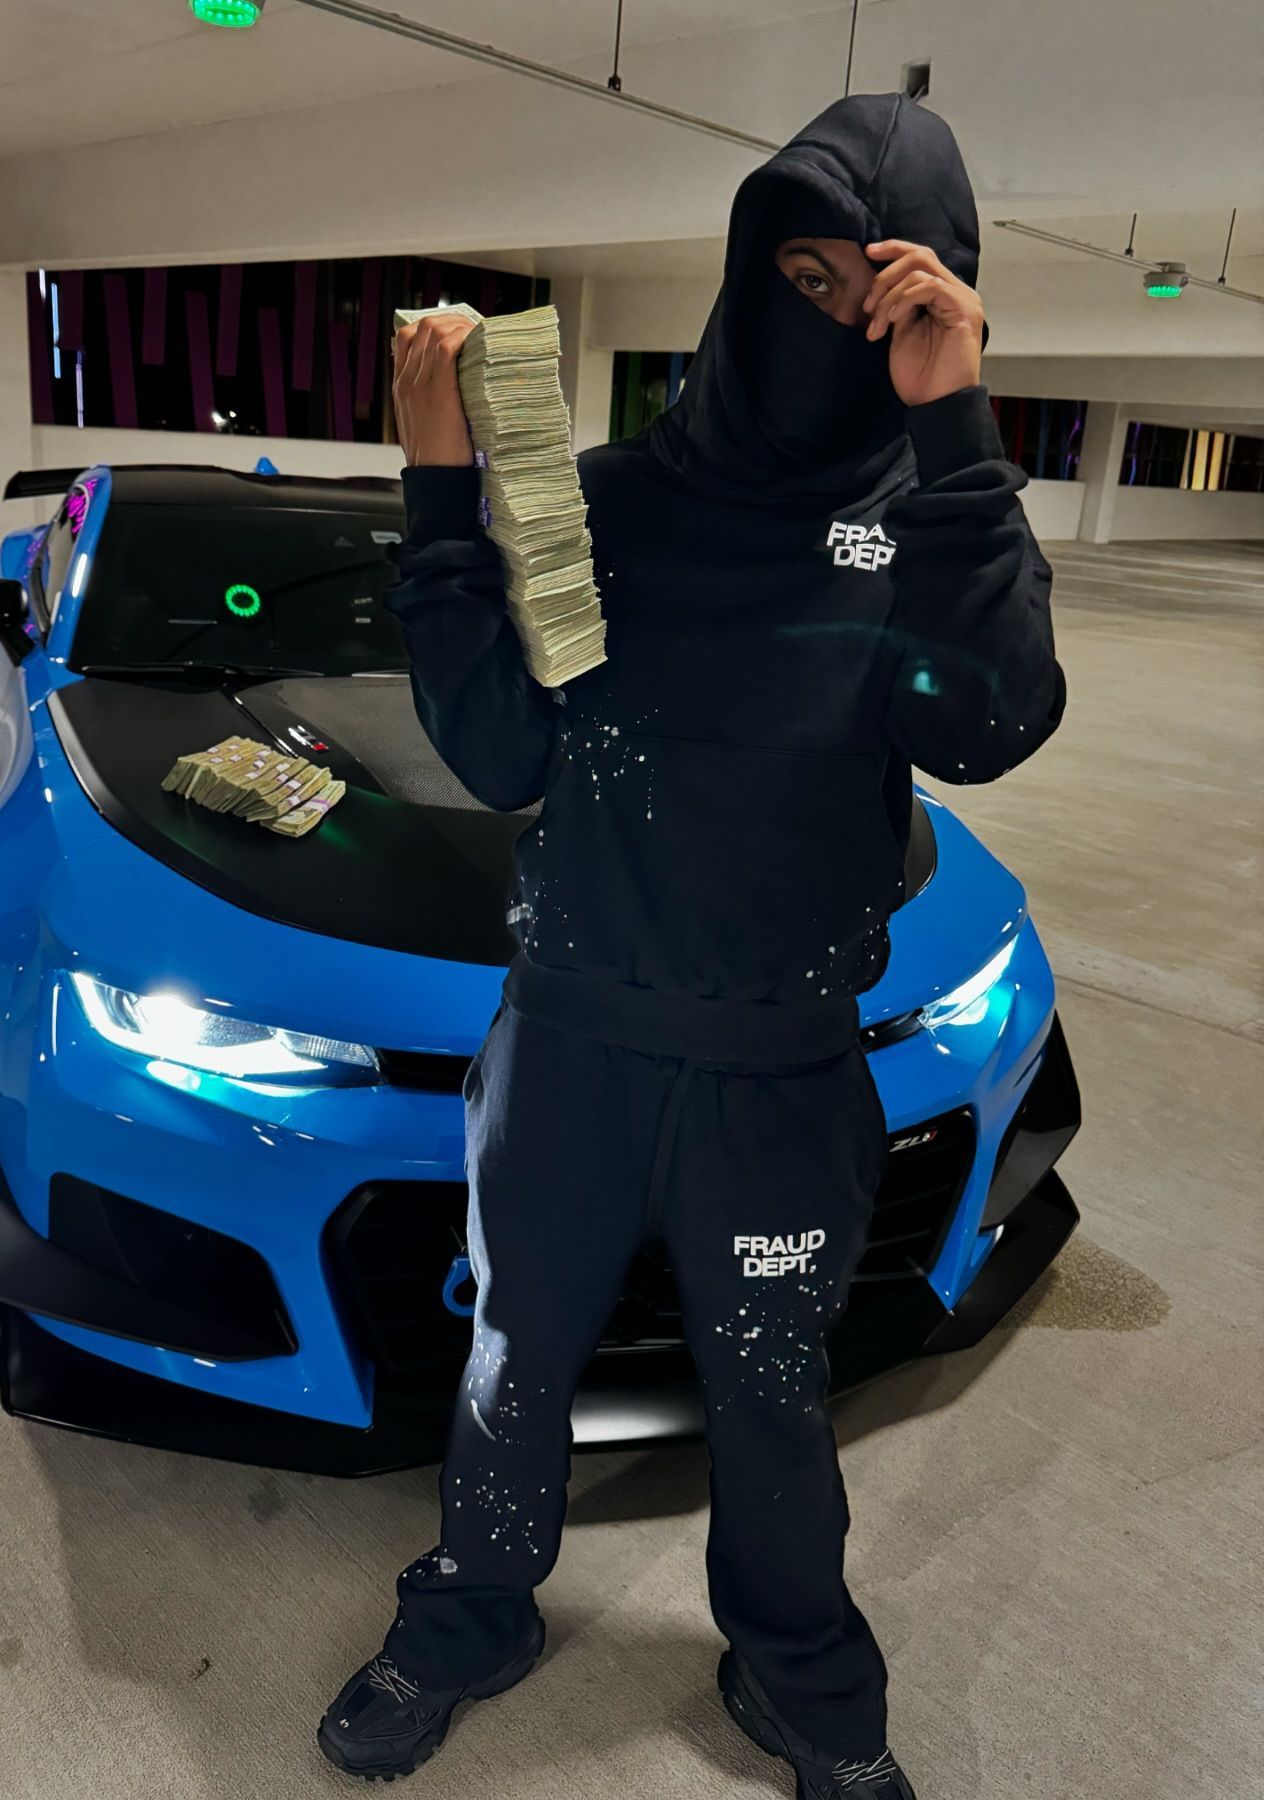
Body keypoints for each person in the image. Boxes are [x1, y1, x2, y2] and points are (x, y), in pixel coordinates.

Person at [317, 92, 1066, 1797]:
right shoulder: (605, 504)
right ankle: (472, 1618)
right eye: (801, 275)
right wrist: (441, 494)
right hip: (568, 1051)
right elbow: (500, 750)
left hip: (779, 1074)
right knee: (513, 1364)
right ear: (745, 269)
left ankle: (805, 1679)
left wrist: (958, 430)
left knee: (773, 1397)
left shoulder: (918, 525)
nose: (832, 318)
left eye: (877, 293)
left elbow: (992, 723)